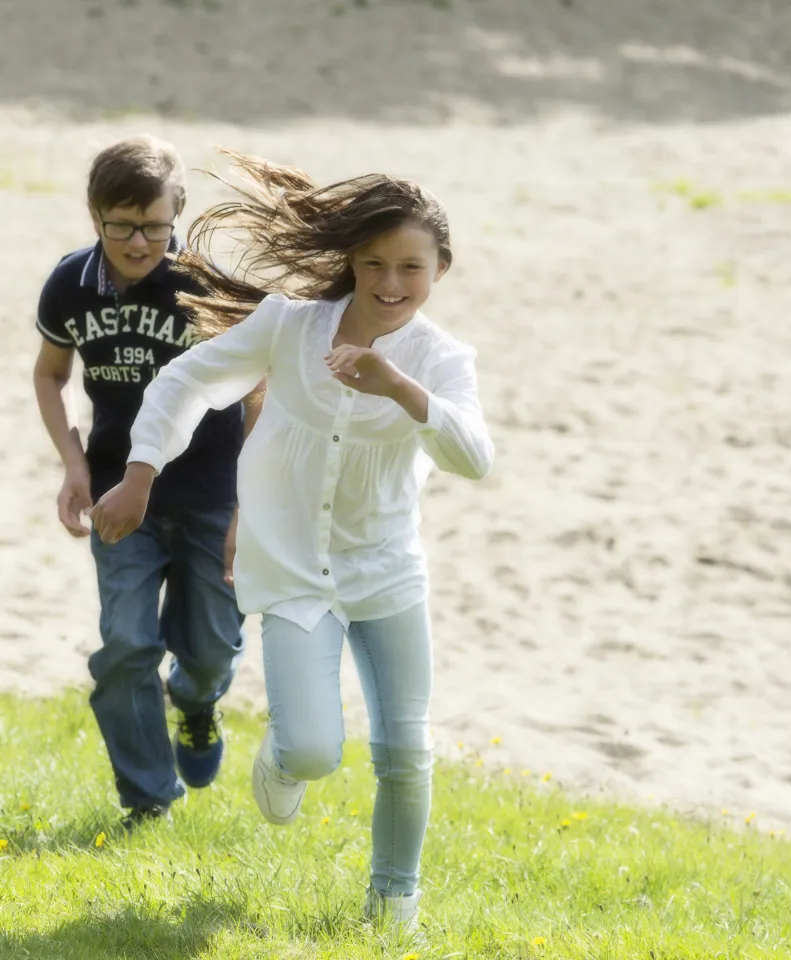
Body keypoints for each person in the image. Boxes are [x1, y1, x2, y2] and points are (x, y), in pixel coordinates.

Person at [90, 150, 494, 933]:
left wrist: (402, 390)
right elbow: (187, 382)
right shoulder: (289, 325)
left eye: (411, 267)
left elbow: (473, 457)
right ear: (347, 261)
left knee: (406, 750)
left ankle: (394, 904)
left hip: (386, 571)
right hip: (294, 574)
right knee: (312, 752)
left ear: (441, 268)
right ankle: (283, 754)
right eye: (373, 262)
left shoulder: (443, 360)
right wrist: (140, 472)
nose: (389, 283)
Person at [33, 136, 260, 830]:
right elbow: (50, 373)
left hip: (211, 495)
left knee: (211, 648)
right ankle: (148, 799)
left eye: (155, 226)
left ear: (178, 216)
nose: (138, 241)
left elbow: (258, 395)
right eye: (121, 225)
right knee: (127, 646)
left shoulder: (208, 288)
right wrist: (74, 463)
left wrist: (248, 504)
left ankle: (195, 704)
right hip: (117, 497)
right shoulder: (70, 283)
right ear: (95, 216)